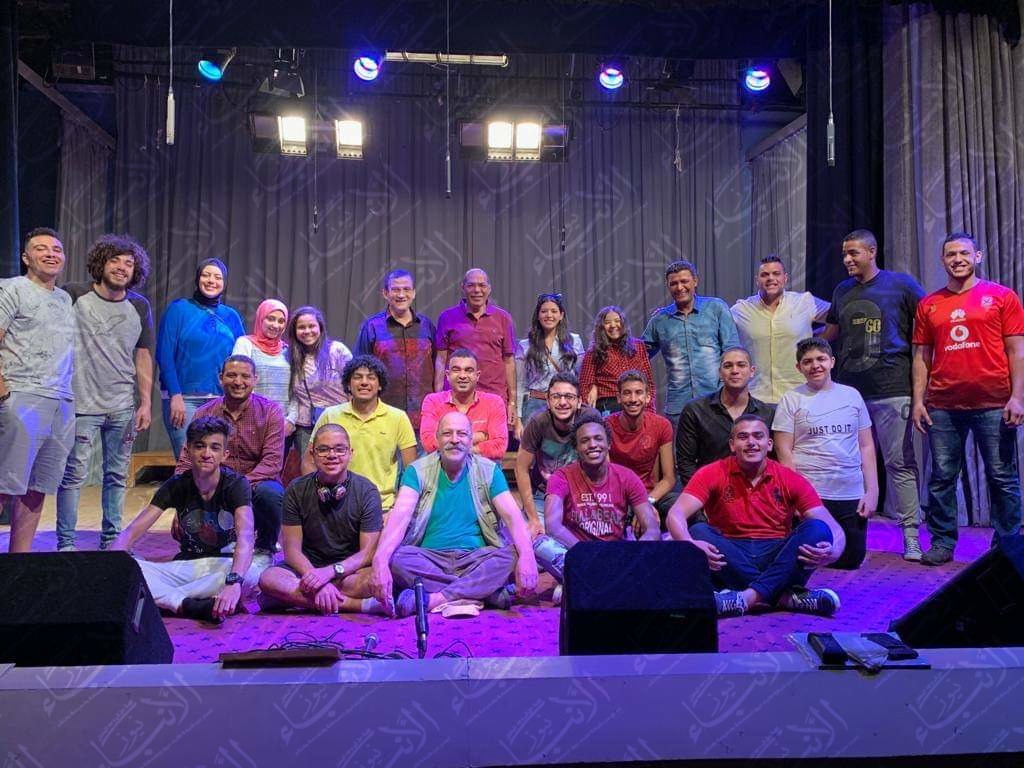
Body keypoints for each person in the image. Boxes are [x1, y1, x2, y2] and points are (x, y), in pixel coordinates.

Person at [911, 232, 1024, 565]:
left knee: (1002, 477)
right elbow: (921, 356)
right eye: (950, 254)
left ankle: (1007, 546)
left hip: (995, 402)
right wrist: (918, 401)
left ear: (978, 256)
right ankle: (943, 543)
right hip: (943, 405)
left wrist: (1018, 397)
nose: (957, 259)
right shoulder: (929, 304)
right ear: (943, 260)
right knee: (942, 478)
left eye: (963, 253)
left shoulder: (1002, 297)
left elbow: (1017, 351)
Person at [667, 414, 847, 618]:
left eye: (758, 436)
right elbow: (676, 514)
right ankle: (786, 597)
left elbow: (833, 527)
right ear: (732, 445)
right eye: (743, 437)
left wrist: (834, 552)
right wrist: (689, 543)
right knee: (698, 531)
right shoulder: (711, 472)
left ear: (769, 444)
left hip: (778, 556)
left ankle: (745, 598)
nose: (751, 442)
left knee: (817, 529)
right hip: (730, 555)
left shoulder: (789, 478)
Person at [370, 412, 539, 617]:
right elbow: (399, 519)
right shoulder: (417, 471)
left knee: (513, 554)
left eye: (462, 434)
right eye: (447, 433)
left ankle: (433, 599)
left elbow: (513, 518)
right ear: (437, 439)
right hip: (430, 559)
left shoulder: (488, 470)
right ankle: (483, 593)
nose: (455, 440)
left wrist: (527, 556)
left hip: (476, 558)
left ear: (471, 439)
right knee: (396, 558)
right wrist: (379, 561)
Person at [822, 229, 926, 560]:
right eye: (844, 254)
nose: (847, 259)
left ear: (872, 251)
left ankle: (911, 535)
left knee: (900, 463)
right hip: (850, 394)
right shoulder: (842, 290)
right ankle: (853, 538)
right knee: (852, 465)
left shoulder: (901, 285)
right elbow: (831, 333)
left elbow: (927, 324)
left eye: (853, 253)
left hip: (893, 391)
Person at [111, 416, 267, 623]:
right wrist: (108, 565)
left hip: (223, 567)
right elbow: (132, 532)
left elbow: (245, 539)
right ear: (188, 450)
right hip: (186, 565)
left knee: (252, 574)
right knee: (129, 567)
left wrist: (233, 582)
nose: (206, 454)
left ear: (224, 455)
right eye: (199, 446)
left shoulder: (236, 485)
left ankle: (165, 599)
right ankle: (190, 604)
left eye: (214, 448)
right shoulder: (177, 485)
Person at [56, 234, 155, 552]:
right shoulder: (73, 294)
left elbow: (143, 355)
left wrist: (146, 403)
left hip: (122, 406)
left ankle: (111, 542)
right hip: (81, 403)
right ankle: (66, 544)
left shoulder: (139, 305)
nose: (122, 267)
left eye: (129, 263)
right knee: (73, 475)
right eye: (115, 260)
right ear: (101, 263)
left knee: (116, 476)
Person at [0, 227, 75, 552]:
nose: (51, 254)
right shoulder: (11, 288)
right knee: (5, 483)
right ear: (26, 257)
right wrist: (3, 393)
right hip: (22, 396)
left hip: (61, 401)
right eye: (41, 248)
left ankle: (19, 562)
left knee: (37, 486)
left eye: (56, 249)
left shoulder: (64, 298)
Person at [772, 338, 878, 570]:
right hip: (812, 493)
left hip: (850, 491)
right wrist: (795, 497)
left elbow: (866, 446)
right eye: (807, 361)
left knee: (850, 561)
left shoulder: (852, 395)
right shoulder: (791, 399)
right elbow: (783, 450)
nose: (815, 365)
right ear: (799, 367)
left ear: (832, 361)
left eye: (821, 359)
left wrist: (872, 491)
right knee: (808, 558)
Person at [258, 424, 386, 614]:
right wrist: (316, 581)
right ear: (313, 453)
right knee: (268, 578)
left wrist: (330, 572)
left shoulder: (367, 490)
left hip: (348, 572)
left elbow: (366, 554)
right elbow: (291, 551)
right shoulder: (296, 489)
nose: (332, 455)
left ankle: (292, 598)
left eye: (339, 449)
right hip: (306, 569)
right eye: (323, 449)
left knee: (374, 580)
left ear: (350, 453)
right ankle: (358, 605)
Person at [175, 355, 285, 554]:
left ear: (255, 380)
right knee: (194, 550)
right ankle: (217, 543)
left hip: (256, 483)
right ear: (221, 378)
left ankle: (265, 546)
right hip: (214, 486)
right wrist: (179, 501)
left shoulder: (271, 412)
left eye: (245, 376)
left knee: (271, 493)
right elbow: (186, 461)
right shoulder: (204, 413)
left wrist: (237, 486)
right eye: (232, 375)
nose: (238, 382)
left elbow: (272, 462)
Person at [538, 413, 661, 585]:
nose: (592, 445)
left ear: (608, 444)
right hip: (577, 553)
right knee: (540, 545)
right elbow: (553, 526)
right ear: (576, 448)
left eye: (598, 439)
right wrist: (588, 553)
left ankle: (578, 585)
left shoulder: (627, 477)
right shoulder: (561, 477)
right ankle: (592, 583)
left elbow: (652, 528)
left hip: (616, 556)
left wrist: (634, 555)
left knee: (665, 544)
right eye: (585, 441)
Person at [156, 258, 245, 459]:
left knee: (217, 462)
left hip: (221, 400)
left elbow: (242, 358)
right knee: (187, 461)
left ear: (224, 282)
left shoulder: (231, 316)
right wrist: (175, 395)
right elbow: (164, 355)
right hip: (184, 399)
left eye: (217, 277)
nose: (211, 280)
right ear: (197, 279)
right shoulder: (178, 309)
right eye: (206, 275)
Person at [305, 355, 418, 512]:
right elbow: (308, 461)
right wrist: (319, 493)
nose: (364, 382)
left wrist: (397, 509)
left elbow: (411, 471)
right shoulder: (330, 415)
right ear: (348, 384)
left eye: (371, 377)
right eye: (357, 377)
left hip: (382, 507)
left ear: (380, 385)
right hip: (335, 504)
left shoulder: (398, 418)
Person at [643, 259, 739, 426]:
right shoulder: (660, 319)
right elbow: (638, 354)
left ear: (695, 281)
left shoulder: (716, 308)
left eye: (684, 281)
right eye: (674, 283)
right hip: (678, 406)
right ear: (668, 286)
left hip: (717, 402)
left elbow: (732, 351)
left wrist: (725, 388)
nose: (679, 287)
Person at [730, 255, 830, 403]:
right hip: (757, 398)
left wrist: (818, 341)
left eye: (776, 273)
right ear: (757, 280)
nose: (771, 278)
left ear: (785, 278)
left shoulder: (804, 302)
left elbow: (838, 316)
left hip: (799, 396)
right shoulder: (741, 309)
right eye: (765, 275)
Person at [514, 372, 599, 538]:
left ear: (579, 401)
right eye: (556, 396)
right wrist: (533, 518)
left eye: (569, 397)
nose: (562, 402)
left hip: (584, 495)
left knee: (594, 538)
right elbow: (520, 468)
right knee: (533, 539)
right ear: (548, 401)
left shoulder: (590, 419)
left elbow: (604, 464)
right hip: (544, 495)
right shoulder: (538, 422)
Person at [676, 347, 776, 487]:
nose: (734, 370)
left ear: (752, 371)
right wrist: (699, 494)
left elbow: (773, 461)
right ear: (720, 373)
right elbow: (685, 463)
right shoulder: (695, 410)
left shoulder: (767, 413)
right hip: (710, 490)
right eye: (728, 366)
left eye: (741, 365)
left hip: (757, 491)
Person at [355, 269, 436, 433]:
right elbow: (359, 370)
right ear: (385, 293)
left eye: (406, 289)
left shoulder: (427, 326)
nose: (401, 295)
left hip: (423, 417)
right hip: (383, 417)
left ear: (413, 293)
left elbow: (437, 366)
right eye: (395, 289)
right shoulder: (372, 327)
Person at [434, 268, 516, 425]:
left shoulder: (503, 318)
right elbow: (441, 360)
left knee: (493, 440)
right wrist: (438, 398)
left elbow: (509, 362)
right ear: (463, 288)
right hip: (456, 399)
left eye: (482, 285)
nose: (477, 290)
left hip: (494, 399)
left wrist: (512, 402)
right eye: (471, 285)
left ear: (489, 289)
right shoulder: (447, 317)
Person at [607, 370, 677, 526]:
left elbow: (669, 478)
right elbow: (605, 476)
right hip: (618, 497)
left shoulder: (662, 425)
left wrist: (647, 503)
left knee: (683, 508)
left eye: (638, 393)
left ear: (648, 397)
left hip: (651, 496)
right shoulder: (605, 426)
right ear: (618, 397)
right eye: (627, 393)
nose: (633, 399)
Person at [284, 305, 352, 458]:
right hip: (306, 427)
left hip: (340, 422)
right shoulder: (288, 356)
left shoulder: (337, 350)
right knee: (310, 468)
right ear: (294, 331)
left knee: (339, 465)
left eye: (311, 326)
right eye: (301, 327)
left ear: (320, 327)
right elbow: (291, 394)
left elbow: (353, 385)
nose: (307, 331)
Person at [513, 292, 584, 437]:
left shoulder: (574, 341)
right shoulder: (525, 345)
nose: (549, 315)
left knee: (565, 447)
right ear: (538, 315)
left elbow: (580, 378)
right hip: (534, 404)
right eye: (544, 311)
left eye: (554, 311)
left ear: (561, 315)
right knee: (534, 448)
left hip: (564, 403)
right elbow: (520, 383)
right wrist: (518, 419)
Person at [420, 349, 508, 459]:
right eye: (456, 370)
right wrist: (480, 437)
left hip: (483, 467)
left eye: (468, 370)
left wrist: (453, 445)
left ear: (477, 376)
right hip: (443, 466)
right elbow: (429, 442)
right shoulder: (433, 401)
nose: (462, 375)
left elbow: (499, 447)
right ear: (447, 375)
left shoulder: (494, 402)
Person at [579, 305, 655, 415]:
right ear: (601, 327)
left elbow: (649, 382)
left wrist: (650, 412)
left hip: (635, 402)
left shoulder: (638, 346)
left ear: (623, 323)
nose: (613, 325)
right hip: (609, 405)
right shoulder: (594, 351)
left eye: (617, 321)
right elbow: (585, 386)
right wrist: (591, 414)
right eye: (607, 322)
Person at [232, 299, 290, 413]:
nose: (276, 325)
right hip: (252, 415)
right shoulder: (245, 343)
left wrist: (290, 419)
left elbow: (295, 390)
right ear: (261, 318)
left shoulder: (287, 350)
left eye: (281, 321)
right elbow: (239, 382)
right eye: (271, 319)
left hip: (283, 418)